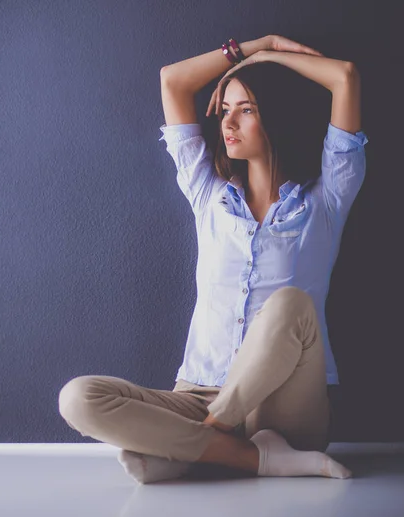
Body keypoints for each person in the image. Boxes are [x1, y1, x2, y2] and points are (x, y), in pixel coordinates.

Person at [58, 34, 368, 484]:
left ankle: (197, 445)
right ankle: (251, 458)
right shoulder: (209, 197)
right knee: (78, 398)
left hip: (284, 404)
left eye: (247, 109)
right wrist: (246, 49)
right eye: (226, 109)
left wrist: (266, 58)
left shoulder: (326, 203)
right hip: (199, 392)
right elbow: (173, 82)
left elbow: (345, 77)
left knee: (290, 304)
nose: (229, 122)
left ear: (275, 118)